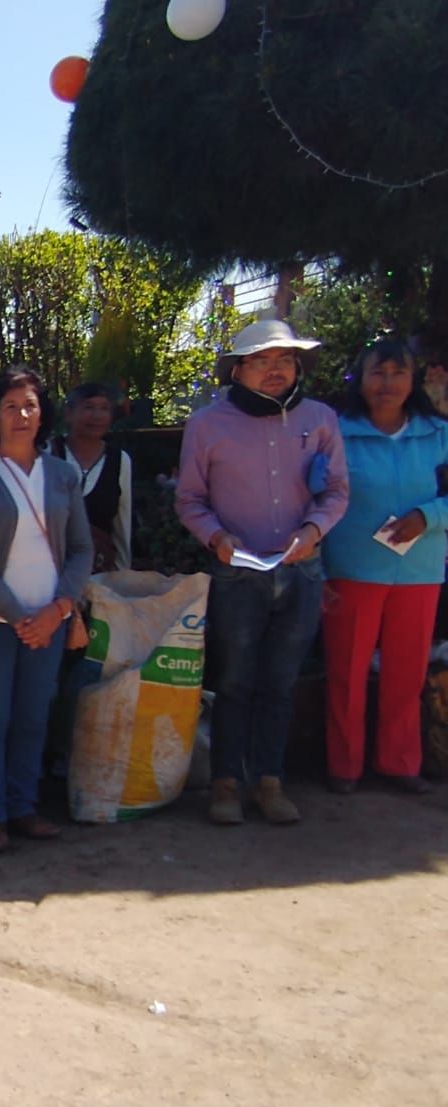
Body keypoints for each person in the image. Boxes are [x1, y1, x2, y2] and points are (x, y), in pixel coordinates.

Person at [176, 318, 349, 825]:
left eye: (285, 360)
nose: (275, 370)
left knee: (280, 681)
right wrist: (217, 538)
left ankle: (270, 782)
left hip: (302, 570)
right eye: (262, 360)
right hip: (237, 573)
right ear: (237, 370)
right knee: (233, 681)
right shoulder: (207, 424)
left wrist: (313, 532)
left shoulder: (320, 419)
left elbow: (337, 490)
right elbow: (189, 499)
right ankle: (226, 784)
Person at [0, 366, 93, 853]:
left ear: (43, 414)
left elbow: (81, 549)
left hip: (51, 621)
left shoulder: (61, 474)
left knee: (35, 716)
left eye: (30, 406)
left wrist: (58, 610)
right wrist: (18, 615)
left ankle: (23, 806)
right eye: (10, 407)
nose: (21, 415)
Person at [320, 339, 448, 794]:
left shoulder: (438, 434)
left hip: (420, 573)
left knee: (407, 674)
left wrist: (427, 518)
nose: (387, 383)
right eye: (378, 372)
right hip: (350, 571)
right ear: (360, 378)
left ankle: (399, 763)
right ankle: (344, 767)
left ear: (413, 381)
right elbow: (314, 496)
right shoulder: (336, 433)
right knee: (346, 673)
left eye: (397, 373)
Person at [49, 382, 132, 573]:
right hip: (51, 574)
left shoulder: (120, 461)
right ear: (68, 414)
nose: (97, 416)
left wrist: (121, 575)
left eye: (103, 408)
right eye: (88, 407)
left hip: (100, 573)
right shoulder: (46, 455)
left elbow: (122, 524)